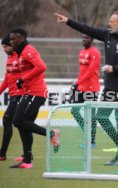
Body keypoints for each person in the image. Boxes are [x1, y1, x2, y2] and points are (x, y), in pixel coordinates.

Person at [54, 11, 118, 166]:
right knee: (101, 116)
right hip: (109, 86)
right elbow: (88, 29)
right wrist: (68, 21)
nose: (109, 24)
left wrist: (114, 69)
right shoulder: (108, 36)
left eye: (112, 21)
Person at [8, 28, 59, 169]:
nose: (12, 41)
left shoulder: (28, 50)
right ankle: (27, 160)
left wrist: (22, 79)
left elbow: (42, 66)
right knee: (24, 125)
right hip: (30, 92)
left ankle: (51, 133)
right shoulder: (20, 53)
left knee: (17, 121)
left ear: (23, 38)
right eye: (10, 39)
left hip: (36, 93)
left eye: (14, 38)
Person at [70, 34, 101, 148]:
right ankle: (87, 133)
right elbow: (82, 71)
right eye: (82, 37)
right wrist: (77, 84)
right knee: (74, 111)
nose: (84, 39)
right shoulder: (82, 52)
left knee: (91, 116)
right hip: (81, 87)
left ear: (92, 39)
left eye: (86, 38)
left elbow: (90, 72)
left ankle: (92, 141)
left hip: (91, 88)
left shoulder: (95, 53)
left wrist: (78, 82)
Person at [0, 35, 23, 161]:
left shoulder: (20, 57)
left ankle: (2, 154)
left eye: (5, 47)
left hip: (21, 95)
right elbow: (7, 79)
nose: (4, 50)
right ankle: (27, 154)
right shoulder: (9, 59)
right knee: (22, 124)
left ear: (11, 45)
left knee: (7, 120)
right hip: (14, 95)